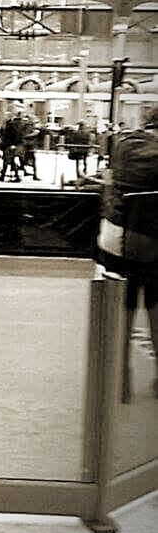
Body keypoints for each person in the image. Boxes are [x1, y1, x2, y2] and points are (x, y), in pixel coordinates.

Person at [97, 106, 158, 401]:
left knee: (125, 308)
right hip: (151, 244)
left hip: (115, 239)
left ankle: (121, 379)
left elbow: (109, 187)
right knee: (156, 308)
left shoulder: (123, 146)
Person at [0, 113, 24, 182]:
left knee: (7, 161)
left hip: (9, 145)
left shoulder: (11, 125)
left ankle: (3, 176)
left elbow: (14, 136)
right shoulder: (8, 125)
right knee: (11, 161)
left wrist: (13, 144)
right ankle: (16, 176)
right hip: (8, 145)